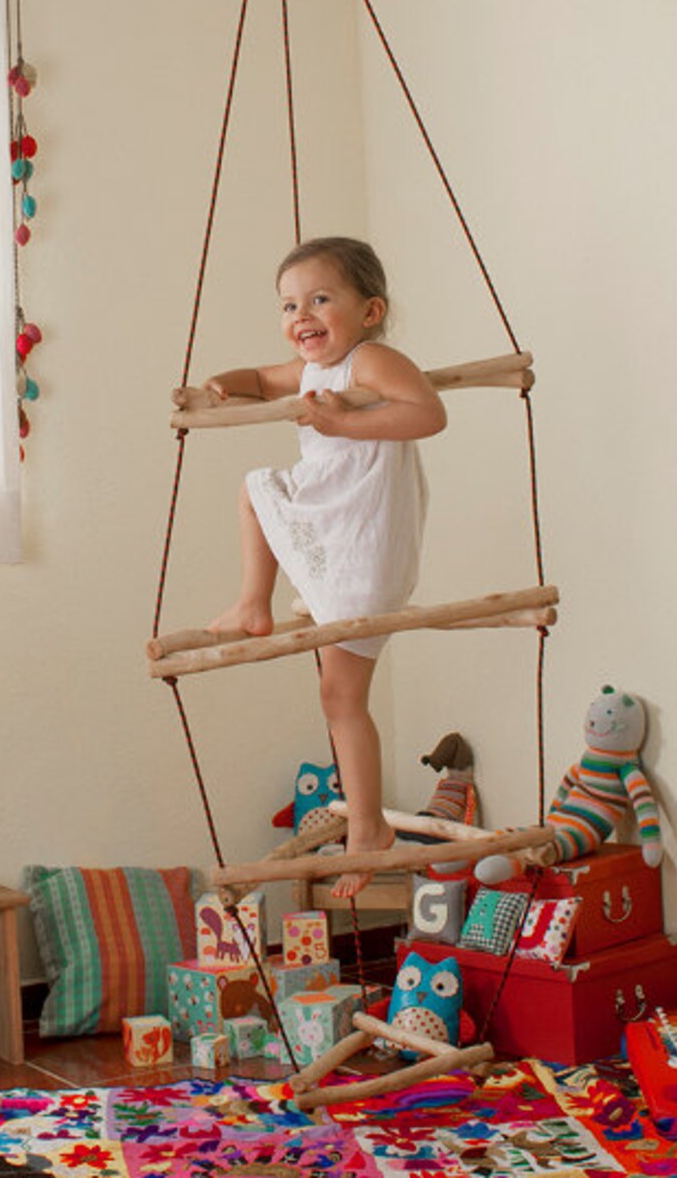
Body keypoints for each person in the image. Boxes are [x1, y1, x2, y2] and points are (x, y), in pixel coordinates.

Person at [174, 236, 446, 898]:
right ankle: (254, 601)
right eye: (289, 305)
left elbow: (428, 413)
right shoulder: (311, 370)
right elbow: (262, 379)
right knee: (256, 489)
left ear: (371, 310)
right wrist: (224, 385)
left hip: (363, 543)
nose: (302, 315)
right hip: (336, 529)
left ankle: (368, 828)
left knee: (340, 697)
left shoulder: (370, 360)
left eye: (321, 299)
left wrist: (344, 424)